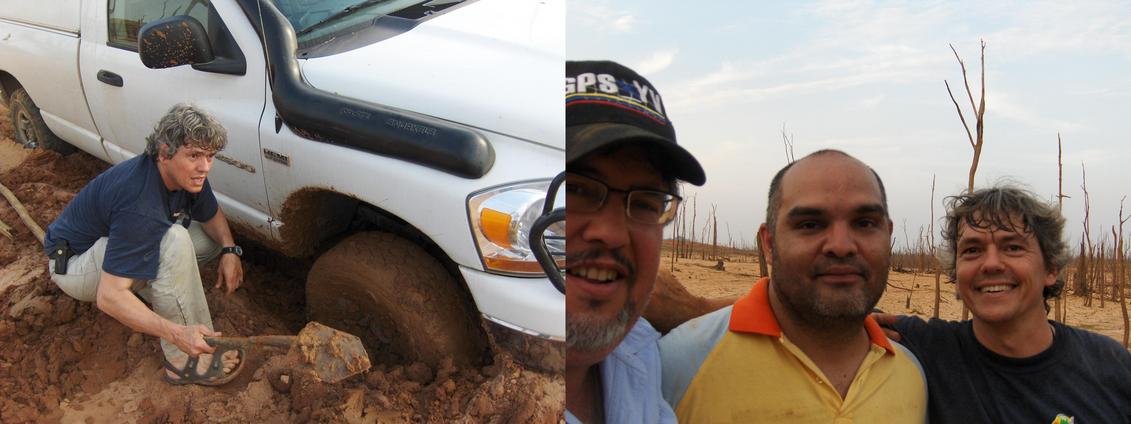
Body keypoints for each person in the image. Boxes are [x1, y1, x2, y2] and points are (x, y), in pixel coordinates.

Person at [660, 150, 927, 422]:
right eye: (810, 224)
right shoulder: (677, 365)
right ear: (768, 243)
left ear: (888, 236)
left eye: (865, 223)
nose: (841, 246)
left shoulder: (911, 375)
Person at [880, 185, 1131, 422]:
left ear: (1051, 268)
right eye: (972, 250)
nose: (991, 264)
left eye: (1012, 247)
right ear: (956, 275)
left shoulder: (1110, 366)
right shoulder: (927, 349)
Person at [43, 104, 247, 386]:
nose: (205, 167)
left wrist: (229, 250)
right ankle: (182, 360)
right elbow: (109, 297)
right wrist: (177, 333)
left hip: (117, 247)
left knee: (207, 239)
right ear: (164, 152)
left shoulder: (188, 177)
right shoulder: (139, 202)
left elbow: (211, 216)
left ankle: (152, 284)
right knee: (173, 240)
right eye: (195, 156)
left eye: (210, 156)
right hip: (75, 267)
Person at [565, 60, 706, 423]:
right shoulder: (455, 390)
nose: (611, 233)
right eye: (577, 190)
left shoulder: (638, 353)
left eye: (644, 203)